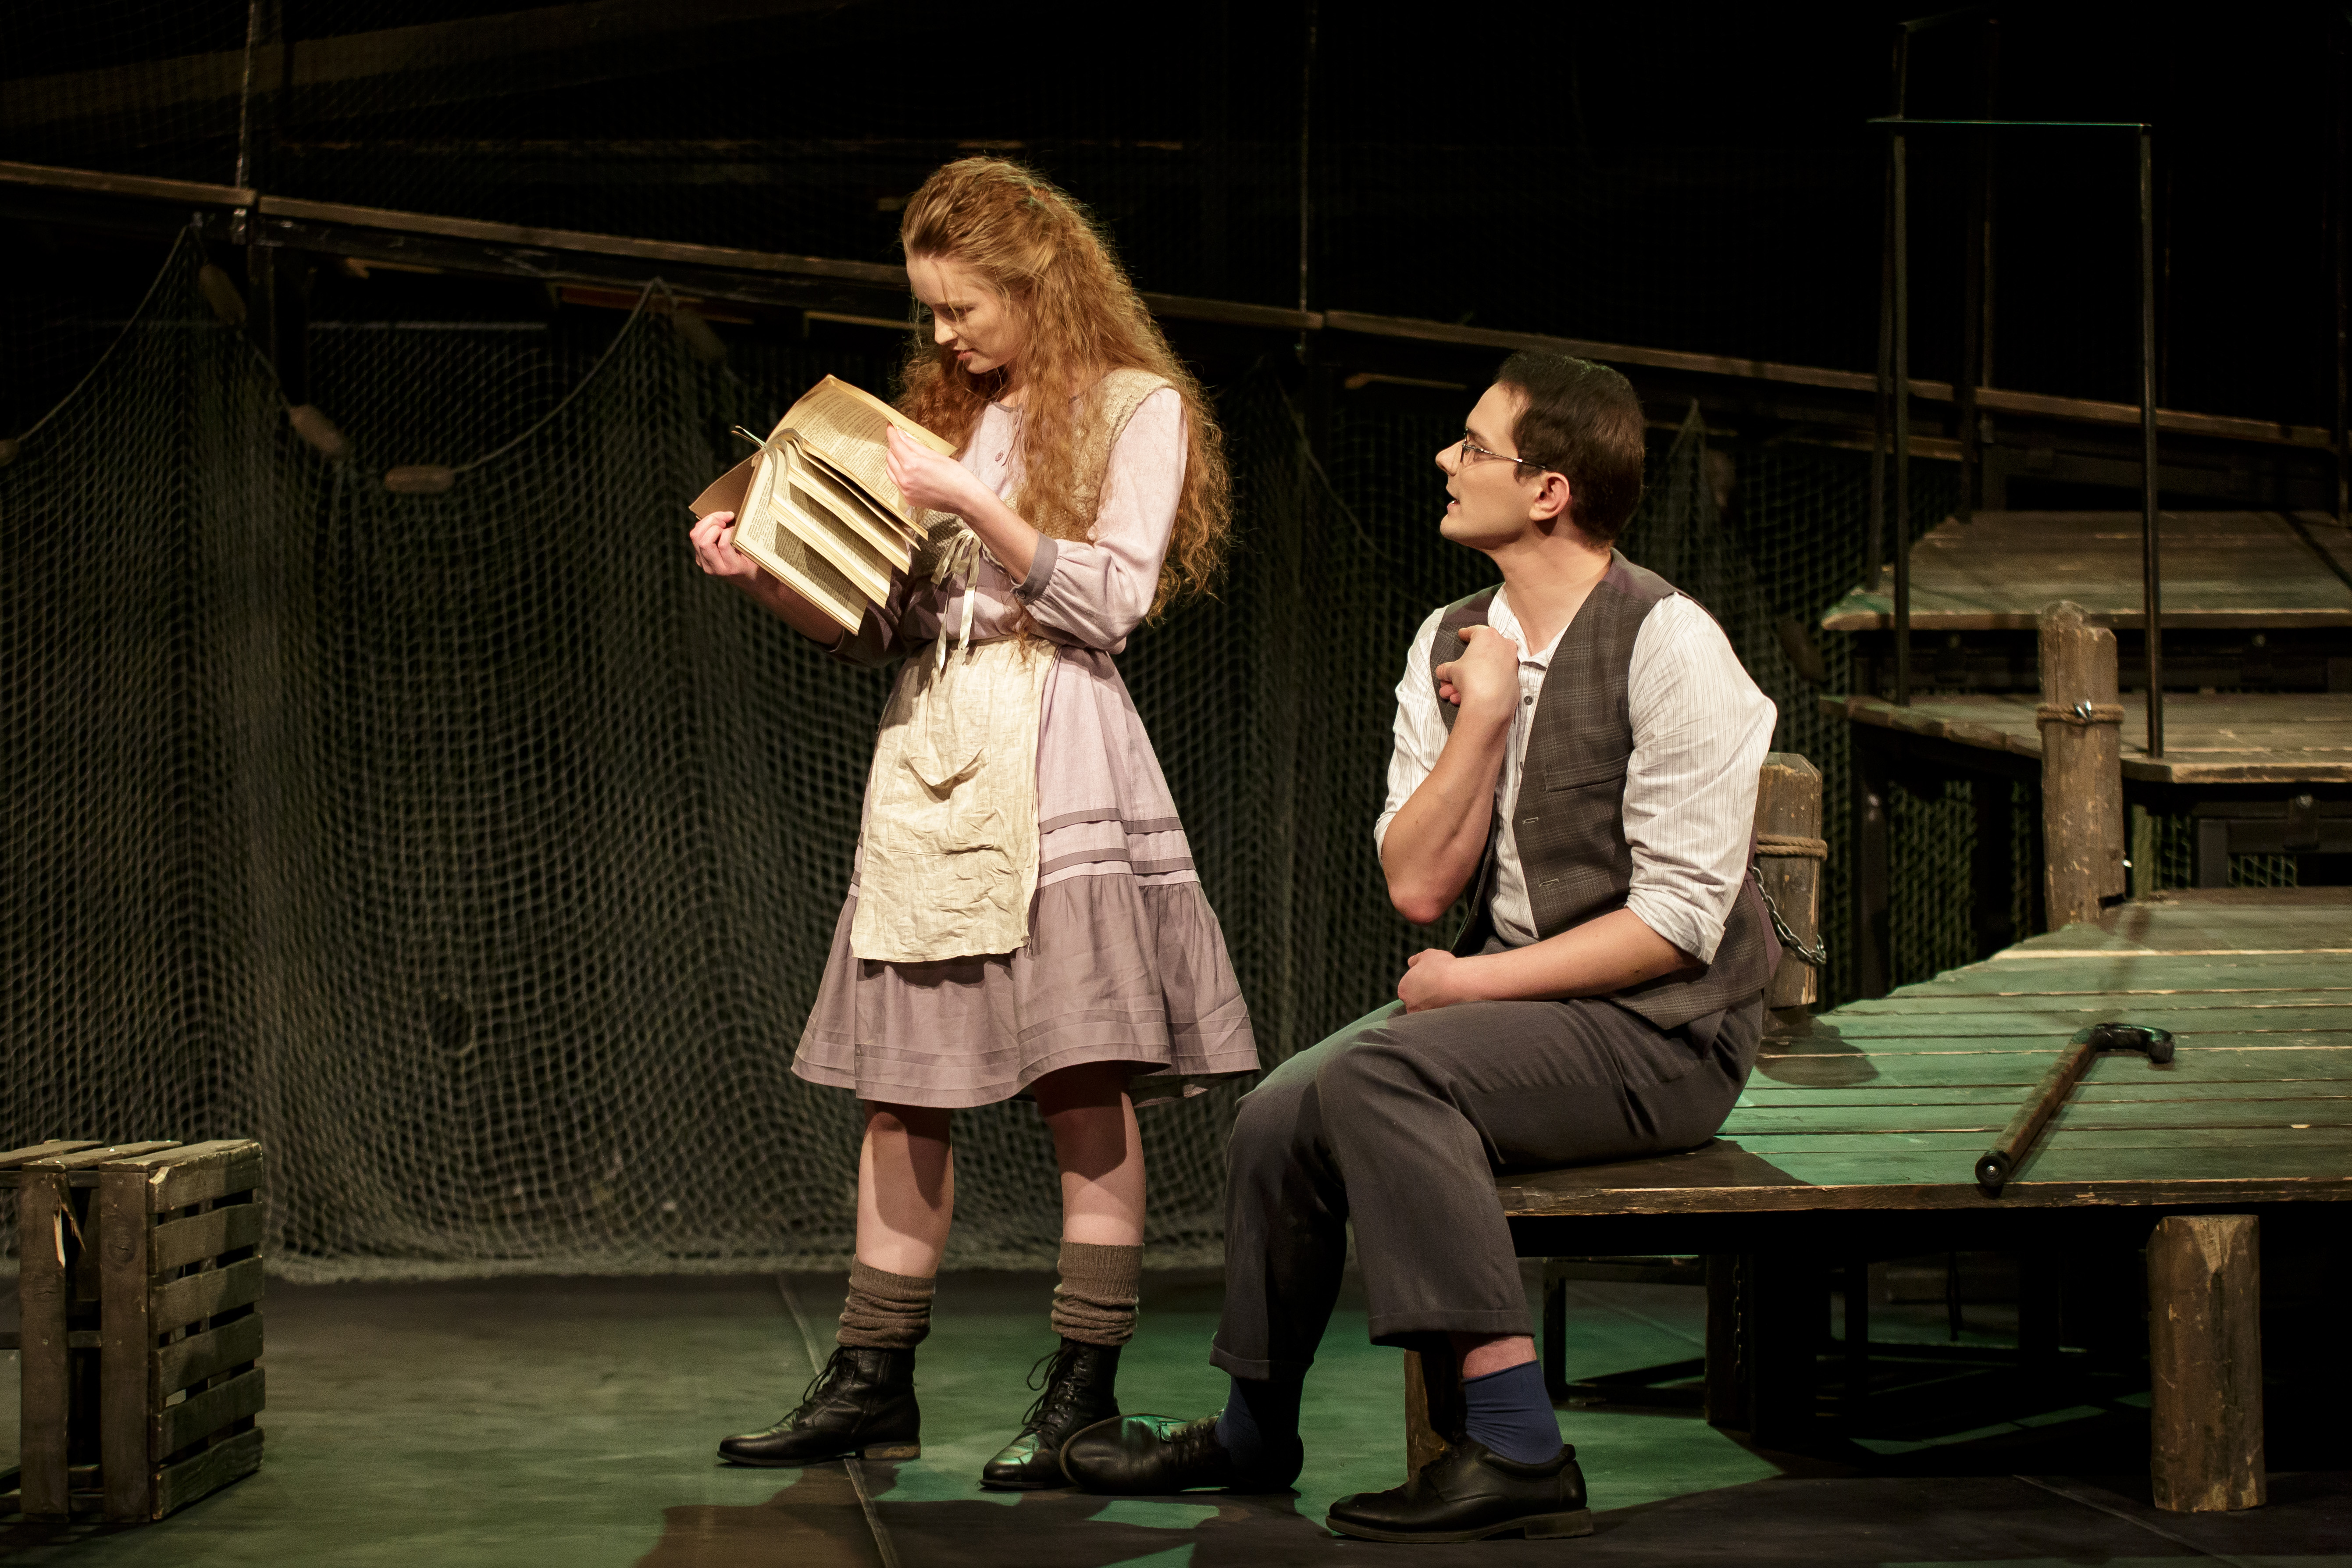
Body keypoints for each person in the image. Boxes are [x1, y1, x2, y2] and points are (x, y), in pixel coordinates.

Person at [1060, 351, 1778, 1543]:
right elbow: (1417, 885)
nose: (1446, 460)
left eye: (1474, 446)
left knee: (1383, 1075)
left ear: (1547, 490)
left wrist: (1469, 981)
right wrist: (1485, 718)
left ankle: (1515, 1441)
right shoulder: (1450, 638)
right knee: (1278, 1113)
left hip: (1667, 1035)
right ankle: (1254, 1429)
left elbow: (1675, 926)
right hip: (1529, 1018)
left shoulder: (1668, 642)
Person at [688, 158, 1257, 1489]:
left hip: (1057, 749)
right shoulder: (949, 420)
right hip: (932, 756)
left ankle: (1082, 1389)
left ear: (1037, 284)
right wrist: (760, 571)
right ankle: (870, 1379)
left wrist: (967, 502)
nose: (941, 335)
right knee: (901, 1092)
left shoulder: (1137, 406)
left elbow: (1109, 601)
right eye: (930, 311)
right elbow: (882, 621)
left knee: (1080, 1077)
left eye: (962, 308)